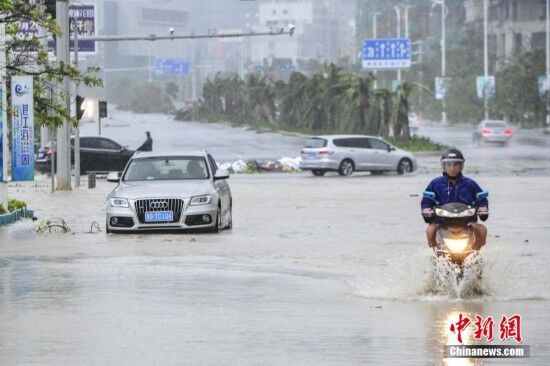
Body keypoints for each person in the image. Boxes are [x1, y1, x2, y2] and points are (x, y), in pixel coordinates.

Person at [421, 148, 489, 250]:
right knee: (430, 231)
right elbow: (426, 200)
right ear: (444, 166)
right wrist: (426, 209)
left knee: (482, 230)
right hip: (442, 223)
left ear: (461, 166)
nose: (452, 168)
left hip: (467, 223)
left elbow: (481, 199)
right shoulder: (435, 183)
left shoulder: (470, 184)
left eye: (456, 164)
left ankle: (476, 254)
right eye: (449, 164)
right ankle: (435, 252)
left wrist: (483, 208)